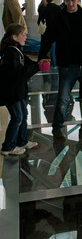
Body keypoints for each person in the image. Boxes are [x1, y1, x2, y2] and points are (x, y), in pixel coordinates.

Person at [38, 0, 82, 140]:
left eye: (73, 0)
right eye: (67, 1)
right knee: (62, 99)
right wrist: (42, 55)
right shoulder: (58, 18)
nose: (70, 4)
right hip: (67, 66)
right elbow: (47, 38)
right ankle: (58, 128)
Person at [0, 24, 49, 156]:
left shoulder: (17, 50)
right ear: (14, 37)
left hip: (18, 91)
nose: (26, 37)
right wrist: (37, 68)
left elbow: (27, 63)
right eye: (23, 34)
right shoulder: (10, 52)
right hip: (12, 92)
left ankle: (22, 141)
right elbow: (18, 72)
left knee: (23, 115)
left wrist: (38, 63)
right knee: (17, 117)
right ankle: (8, 146)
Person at [39, 0, 60, 68]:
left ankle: (47, 64)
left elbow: (40, 19)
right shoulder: (58, 8)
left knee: (47, 48)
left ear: (46, 0)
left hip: (48, 31)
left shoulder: (45, 8)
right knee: (54, 48)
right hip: (57, 31)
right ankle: (55, 63)